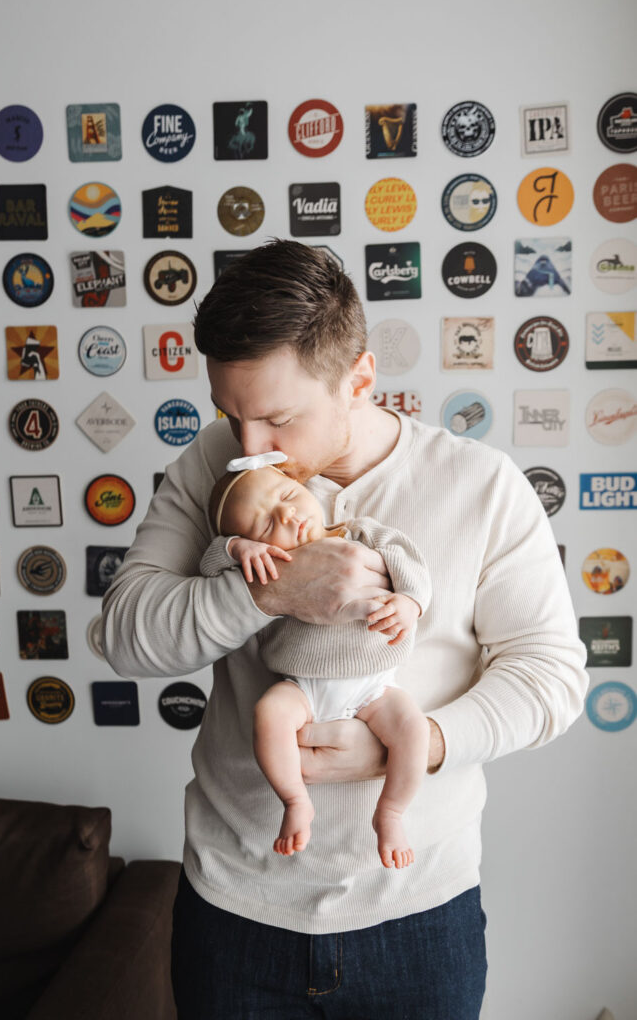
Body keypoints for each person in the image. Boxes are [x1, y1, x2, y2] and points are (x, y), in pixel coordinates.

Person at [101, 239, 588, 1019]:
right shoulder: (210, 466)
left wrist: (414, 743)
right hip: (233, 909)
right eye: (231, 414)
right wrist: (267, 595)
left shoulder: (480, 485)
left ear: (359, 377)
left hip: (419, 915)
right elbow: (124, 635)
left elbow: (551, 678)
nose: (248, 450)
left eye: (277, 418)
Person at [202, 452, 431, 867]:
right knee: (269, 714)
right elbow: (208, 565)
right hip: (301, 685)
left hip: (374, 685)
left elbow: (407, 557)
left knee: (414, 730)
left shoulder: (356, 532)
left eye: (288, 495)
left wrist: (411, 602)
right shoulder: (267, 566)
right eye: (267, 525)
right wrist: (236, 548)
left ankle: (392, 812)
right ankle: (295, 800)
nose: (288, 515)